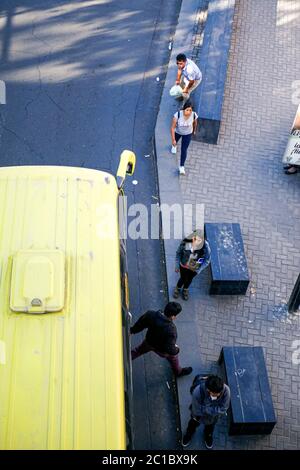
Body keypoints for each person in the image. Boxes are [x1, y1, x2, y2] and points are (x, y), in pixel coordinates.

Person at [130, 302, 193, 377]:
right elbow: (170, 349)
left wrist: (132, 331)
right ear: (173, 316)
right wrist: (177, 349)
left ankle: (124, 360)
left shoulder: (151, 314)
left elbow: (140, 324)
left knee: (137, 351)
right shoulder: (171, 330)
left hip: (149, 342)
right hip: (162, 350)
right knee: (173, 359)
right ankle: (178, 372)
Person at [182, 375, 231, 449]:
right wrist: (214, 410)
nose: (218, 395)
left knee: (210, 427)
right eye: (215, 394)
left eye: (220, 393)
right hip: (198, 416)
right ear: (208, 390)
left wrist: (206, 409)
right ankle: (189, 434)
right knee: (192, 424)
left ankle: (208, 435)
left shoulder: (226, 390)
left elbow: (224, 408)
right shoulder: (197, 392)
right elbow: (197, 410)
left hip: (213, 417)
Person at [174, 229, 211, 300]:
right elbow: (178, 253)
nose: (196, 242)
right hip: (184, 266)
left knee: (190, 279)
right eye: (195, 239)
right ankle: (178, 288)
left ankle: (185, 289)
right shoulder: (185, 243)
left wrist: (199, 270)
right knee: (183, 278)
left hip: (195, 268)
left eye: (199, 240)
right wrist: (176, 265)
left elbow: (207, 260)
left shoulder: (206, 248)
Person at [170, 100, 198, 175]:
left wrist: (194, 130)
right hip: (178, 132)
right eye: (187, 110)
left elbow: (195, 123)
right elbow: (172, 128)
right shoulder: (178, 115)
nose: (188, 112)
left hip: (187, 134)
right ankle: (174, 146)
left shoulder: (194, 115)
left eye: (190, 110)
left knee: (184, 149)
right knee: (175, 142)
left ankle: (182, 166)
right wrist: (173, 140)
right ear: (184, 109)